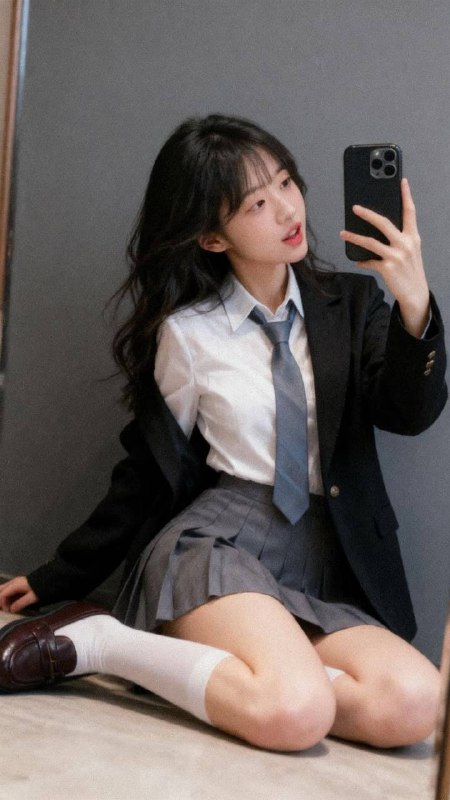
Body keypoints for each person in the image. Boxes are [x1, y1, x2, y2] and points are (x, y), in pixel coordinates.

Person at [0, 114, 447, 752]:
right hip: (223, 541)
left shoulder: (352, 306)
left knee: (414, 704)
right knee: (293, 716)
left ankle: (274, 679)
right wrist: (61, 575)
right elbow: (147, 470)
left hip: (328, 555)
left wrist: (413, 304)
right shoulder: (188, 333)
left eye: (286, 182)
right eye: (256, 204)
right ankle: (100, 642)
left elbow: (409, 412)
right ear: (212, 237)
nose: (288, 209)